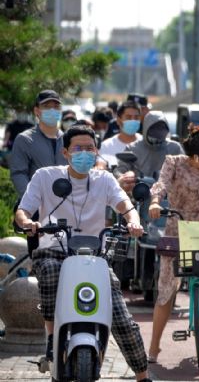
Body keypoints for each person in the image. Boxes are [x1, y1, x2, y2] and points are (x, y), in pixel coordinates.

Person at [14, 125, 151, 382]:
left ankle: (143, 376)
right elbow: (23, 210)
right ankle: (52, 340)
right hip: (53, 250)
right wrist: (28, 223)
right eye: (78, 148)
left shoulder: (104, 179)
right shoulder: (45, 176)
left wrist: (133, 221)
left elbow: (125, 205)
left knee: (121, 315)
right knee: (52, 273)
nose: (85, 153)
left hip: (93, 256)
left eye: (90, 148)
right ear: (65, 152)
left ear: (96, 151)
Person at [146, 125, 199, 363]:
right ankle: (154, 348)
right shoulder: (174, 162)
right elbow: (161, 185)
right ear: (196, 157)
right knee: (166, 289)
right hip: (176, 229)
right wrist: (156, 202)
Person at [9, 90, 68, 253]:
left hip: (66, 208)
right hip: (36, 213)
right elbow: (18, 173)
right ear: (37, 111)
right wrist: (32, 201)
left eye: (56, 106)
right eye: (46, 106)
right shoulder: (25, 139)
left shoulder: (68, 140)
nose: (52, 110)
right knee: (39, 256)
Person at [116, 111, 183, 191]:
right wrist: (124, 177)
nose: (158, 132)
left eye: (162, 128)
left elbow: (187, 171)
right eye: (154, 128)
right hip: (138, 195)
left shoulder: (174, 148)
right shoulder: (133, 148)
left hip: (168, 196)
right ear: (146, 128)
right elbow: (119, 169)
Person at [99, 101, 142, 168]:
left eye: (136, 117)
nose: (133, 120)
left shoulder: (146, 144)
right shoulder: (106, 146)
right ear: (118, 121)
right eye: (128, 117)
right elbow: (100, 166)